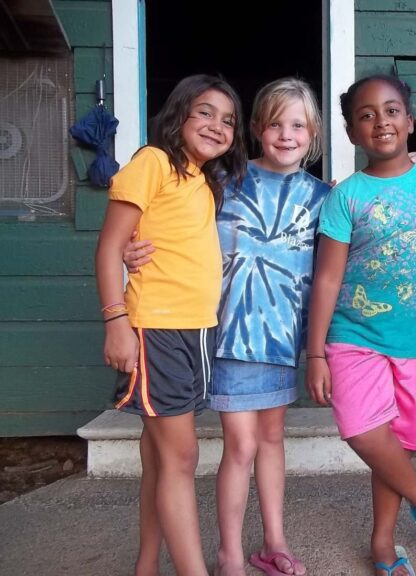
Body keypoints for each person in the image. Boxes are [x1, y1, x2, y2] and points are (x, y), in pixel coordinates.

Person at [124, 77, 328, 576]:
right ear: (256, 130)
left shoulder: (325, 195)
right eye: (275, 123)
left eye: (298, 125)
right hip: (228, 333)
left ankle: (273, 541)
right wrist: (130, 250)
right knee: (240, 444)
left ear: (314, 133)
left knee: (273, 438)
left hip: (284, 338)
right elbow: (165, 218)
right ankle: (229, 553)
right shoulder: (222, 181)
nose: (286, 134)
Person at [305, 74, 416, 576]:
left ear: (410, 121)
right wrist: (315, 353)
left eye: (392, 111)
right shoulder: (345, 196)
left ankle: (383, 545)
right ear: (351, 133)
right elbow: (327, 280)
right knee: (362, 429)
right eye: (366, 115)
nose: (381, 122)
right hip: (354, 336)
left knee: (397, 446)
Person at [95, 74, 248, 576]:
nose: (217, 125)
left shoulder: (204, 183)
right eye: (205, 112)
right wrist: (117, 321)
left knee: (161, 460)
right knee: (181, 459)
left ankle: (146, 565)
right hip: (154, 330)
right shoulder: (153, 162)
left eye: (228, 120)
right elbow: (109, 247)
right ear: (178, 114)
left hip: (196, 330)